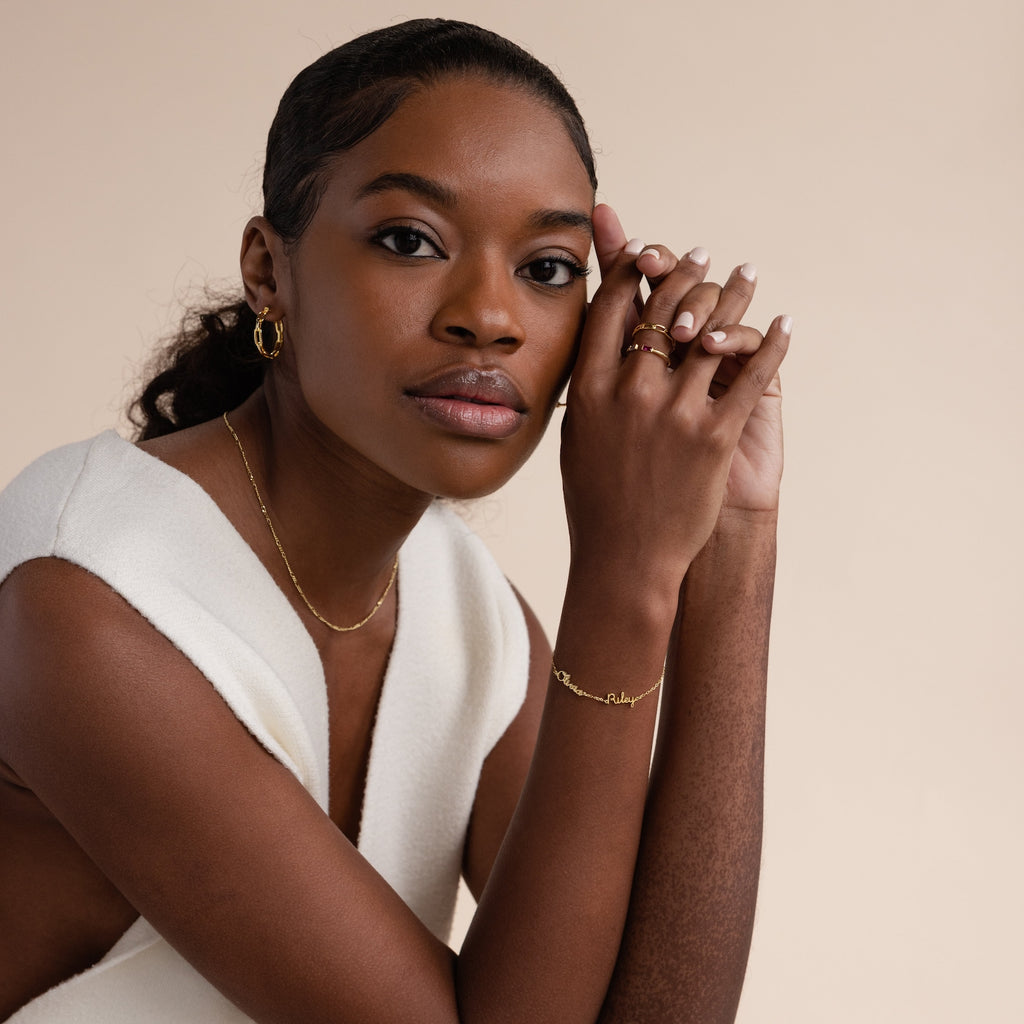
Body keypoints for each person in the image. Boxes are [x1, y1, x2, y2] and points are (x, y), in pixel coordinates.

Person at [0, 17, 790, 1024]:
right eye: (410, 241)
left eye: (548, 267)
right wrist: (626, 574)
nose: (489, 315)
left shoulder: (463, 620)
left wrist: (729, 547)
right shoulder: (84, 600)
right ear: (266, 269)